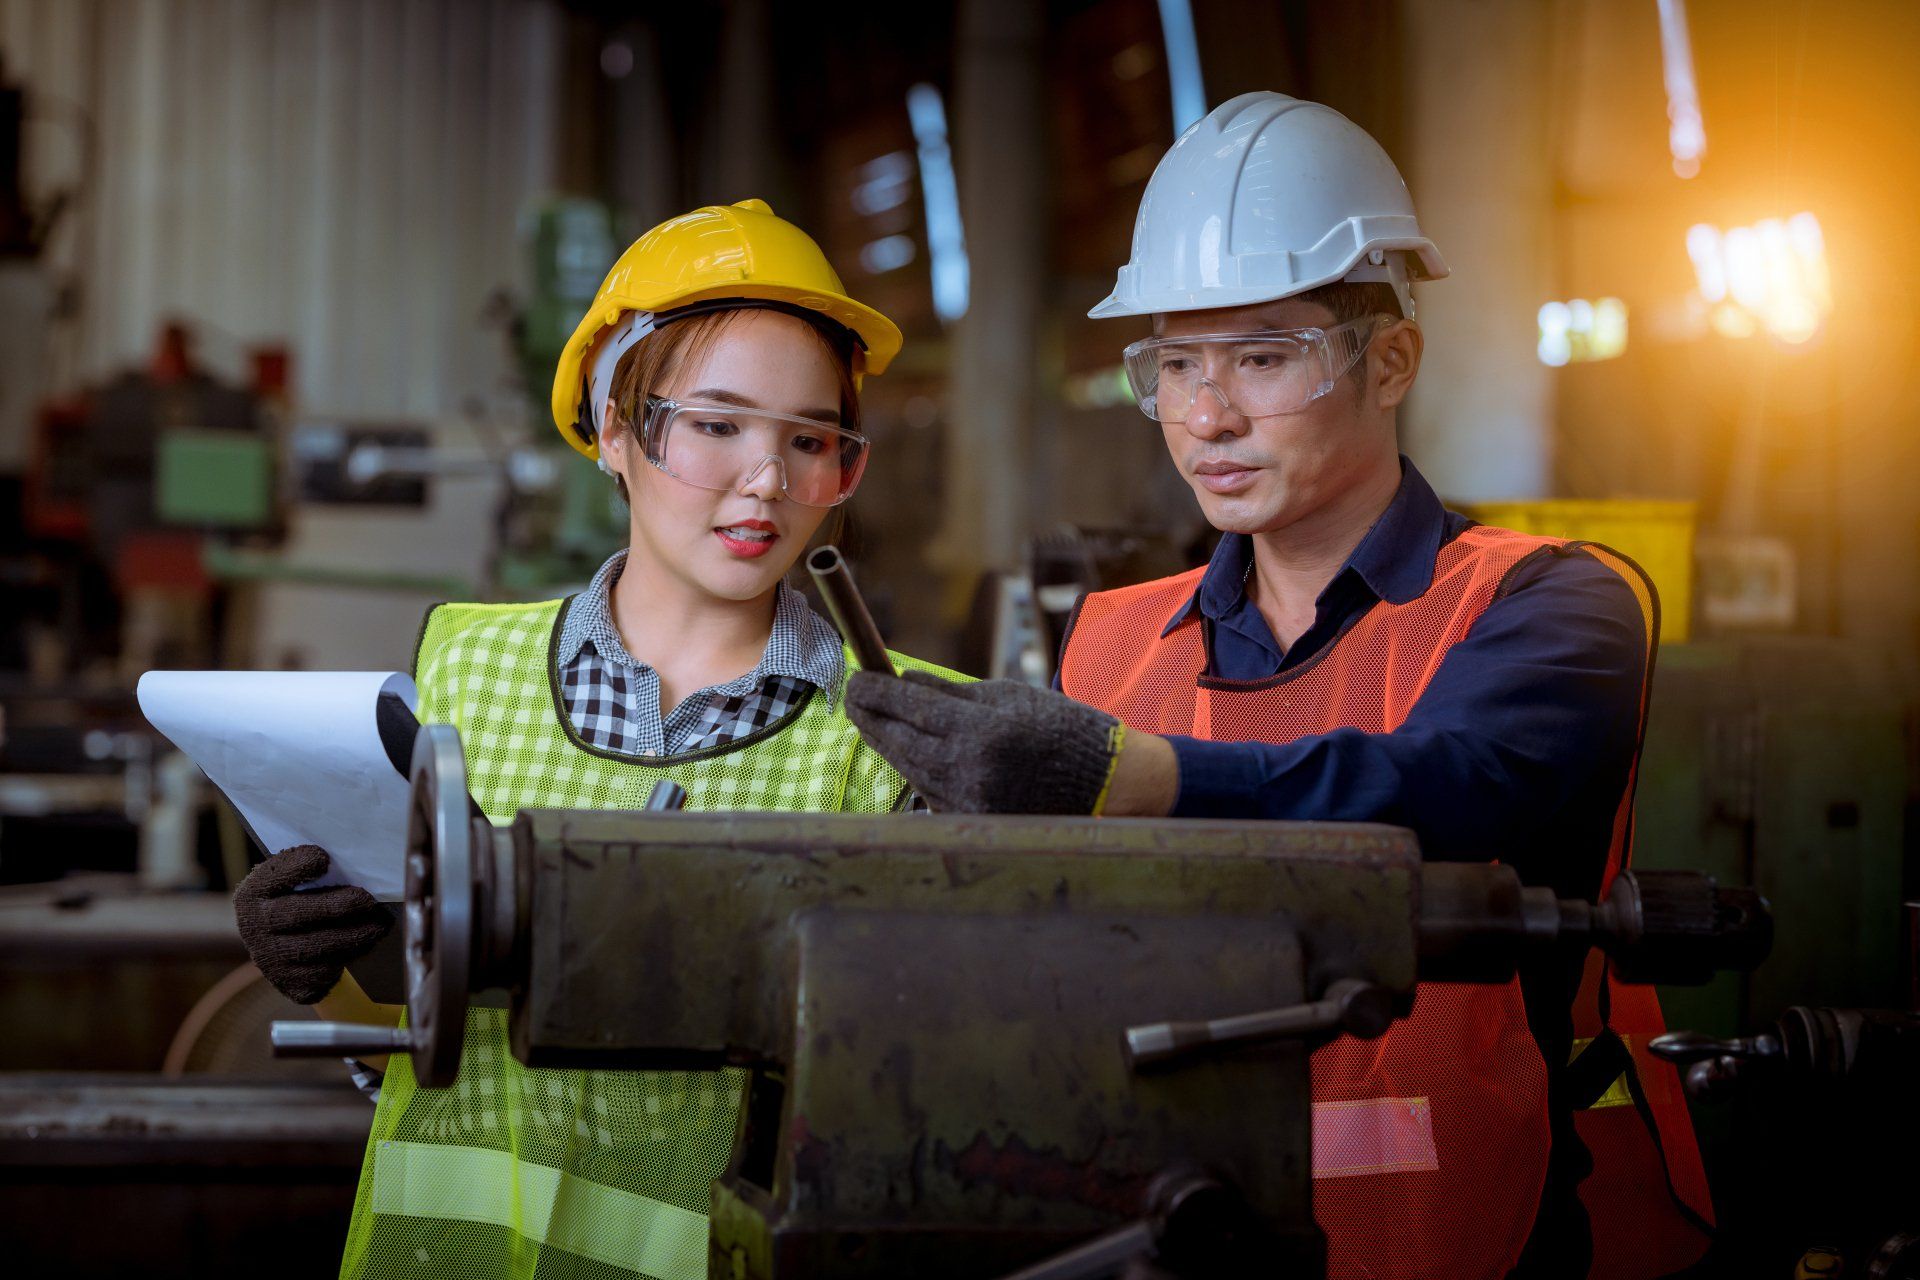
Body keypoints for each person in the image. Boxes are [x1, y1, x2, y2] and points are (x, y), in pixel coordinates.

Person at [843, 94, 1710, 1279]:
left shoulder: (1549, 606)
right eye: (1175, 364)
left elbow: (1448, 798)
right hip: (1166, 1239)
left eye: (1262, 355)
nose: (1207, 415)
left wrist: (1128, 780)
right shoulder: (1111, 642)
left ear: (1390, 356)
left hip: (1479, 1243)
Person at [229, 199, 959, 1280]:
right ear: (614, 432)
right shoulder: (461, 669)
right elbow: (400, 1022)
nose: (767, 480)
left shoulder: (904, 729)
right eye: (716, 425)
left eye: (810, 440)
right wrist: (323, 957)